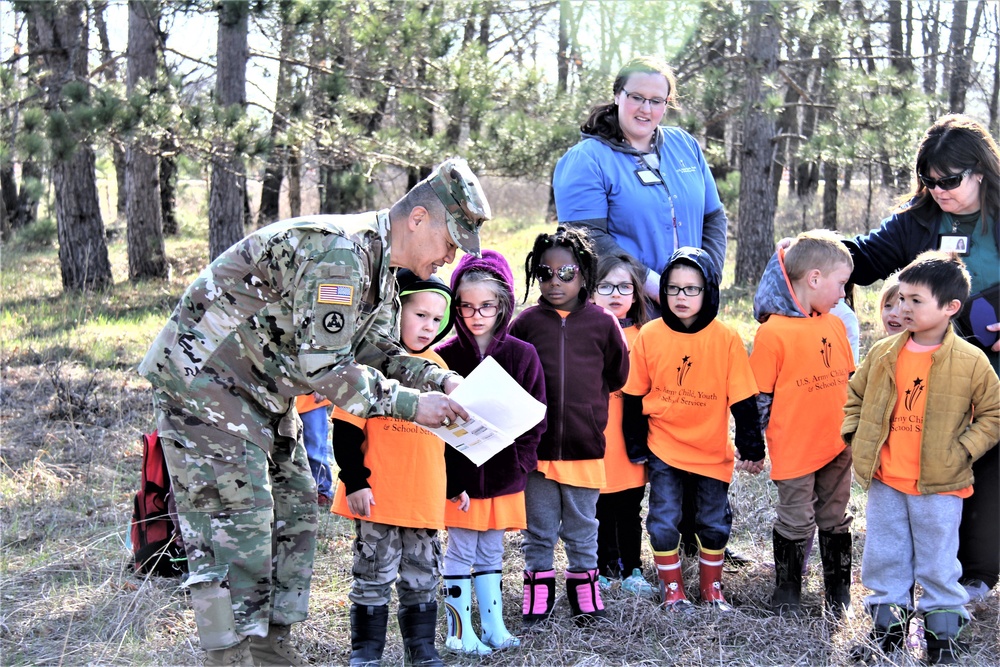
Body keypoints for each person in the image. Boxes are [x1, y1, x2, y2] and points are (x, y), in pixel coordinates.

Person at [137, 157, 490, 665]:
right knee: (236, 531)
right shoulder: (340, 254)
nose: (451, 257)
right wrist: (415, 406)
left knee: (295, 511)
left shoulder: (383, 266)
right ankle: (231, 659)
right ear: (417, 219)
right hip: (208, 388)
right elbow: (326, 368)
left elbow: (378, 351)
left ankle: (271, 653)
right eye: (450, 241)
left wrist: (441, 379)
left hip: (262, 392)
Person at [552, 55, 750, 569]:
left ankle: (703, 534)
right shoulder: (587, 159)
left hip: (691, 312)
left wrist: (703, 276)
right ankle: (623, 549)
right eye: (636, 96)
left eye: (656, 100)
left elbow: (713, 214)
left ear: (668, 104)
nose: (645, 107)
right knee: (645, 423)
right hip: (634, 310)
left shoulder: (683, 147)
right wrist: (658, 285)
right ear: (617, 95)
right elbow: (588, 237)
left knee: (696, 412)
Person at [842, 114, 1000, 605]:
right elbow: (864, 259)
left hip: (992, 363)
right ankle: (922, 572)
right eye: (929, 181)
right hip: (928, 366)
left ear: (980, 170)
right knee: (935, 461)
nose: (939, 191)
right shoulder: (919, 219)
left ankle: (975, 576)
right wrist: (820, 254)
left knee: (989, 462)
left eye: (950, 180)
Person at [844, 252, 999, 664]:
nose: (902, 308)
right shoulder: (883, 353)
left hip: (940, 484)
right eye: (900, 299)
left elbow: (993, 413)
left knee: (937, 561)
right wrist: (856, 435)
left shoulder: (972, 361)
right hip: (887, 480)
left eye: (916, 301)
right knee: (884, 557)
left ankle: (943, 637)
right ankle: (887, 632)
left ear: (951, 308)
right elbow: (854, 397)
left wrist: (963, 449)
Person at [622, 248, 765, 611]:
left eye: (692, 289)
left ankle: (711, 588)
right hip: (664, 447)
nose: (681, 298)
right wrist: (636, 444)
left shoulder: (726, 338)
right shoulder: (650, 336)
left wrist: (751, 445)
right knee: (664, 519)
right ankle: (673, 590)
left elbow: (744, 400)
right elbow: (634, 396)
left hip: (710, 450)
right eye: (673, 289)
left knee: (713, 521)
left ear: (709, 291)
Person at [331, 270, 459, 667]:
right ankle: (366, 652)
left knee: (422, 575)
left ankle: (421, 649)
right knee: (372, 574)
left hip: (421, 500)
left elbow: (452, 440)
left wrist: (453, 486)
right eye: (420, 315)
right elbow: (345, 431)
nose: (428, 326)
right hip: (378, 496)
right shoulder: (368, 367)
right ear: (394, 311)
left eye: (437, 320)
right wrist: (355, 481)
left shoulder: (440, 370)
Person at [509, 227, 630, 626]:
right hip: (537, 451)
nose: (555, 281)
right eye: (545, 273)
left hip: (584, 447)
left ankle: (585, 594)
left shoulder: (603, 324)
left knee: (582, 529)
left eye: (566, 273)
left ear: (585, 275)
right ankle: (538, 593)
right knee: (539, 529)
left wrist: (587, 408)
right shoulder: (526, 325)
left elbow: (617, 376)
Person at [435, 250, 547, 654]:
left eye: (487, 305)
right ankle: (459, 631)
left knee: (492, 549)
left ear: (504, 305)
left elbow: (537, 418)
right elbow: (433, 426)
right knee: (461, 548)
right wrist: (451, 480)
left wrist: (522, 464)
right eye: (466, 305)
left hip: (504, 476)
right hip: (459, 481)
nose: (476, 314)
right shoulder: (443, 358)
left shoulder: (522, 354)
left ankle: (495, 626)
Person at [749, 229, 856, 618]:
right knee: (795, 519)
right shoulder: (772, 333)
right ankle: (787, 593)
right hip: (795, 447)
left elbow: (848, 380)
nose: (844, 294)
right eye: (840, 283)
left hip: (837, 445)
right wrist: (753, 449)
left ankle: (838, 594)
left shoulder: (834, 324)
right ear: (814, 278)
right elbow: (759, 398)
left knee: (835, 517)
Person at [588, 254, 655, 598]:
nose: (616, 293)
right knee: (598, 508)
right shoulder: (585, 332)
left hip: (631, 442)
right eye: (606, 285)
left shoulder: (646, 335)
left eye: (625, 286)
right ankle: (601, 568)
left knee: (630, 508)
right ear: (591, 291)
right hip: (596, 440)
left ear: (635, 294)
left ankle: (633, 569)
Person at [295, 393, 333, 505]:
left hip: (309, 398)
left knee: (315, 449)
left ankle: (321, 491)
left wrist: (323, 385)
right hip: (276, 398)